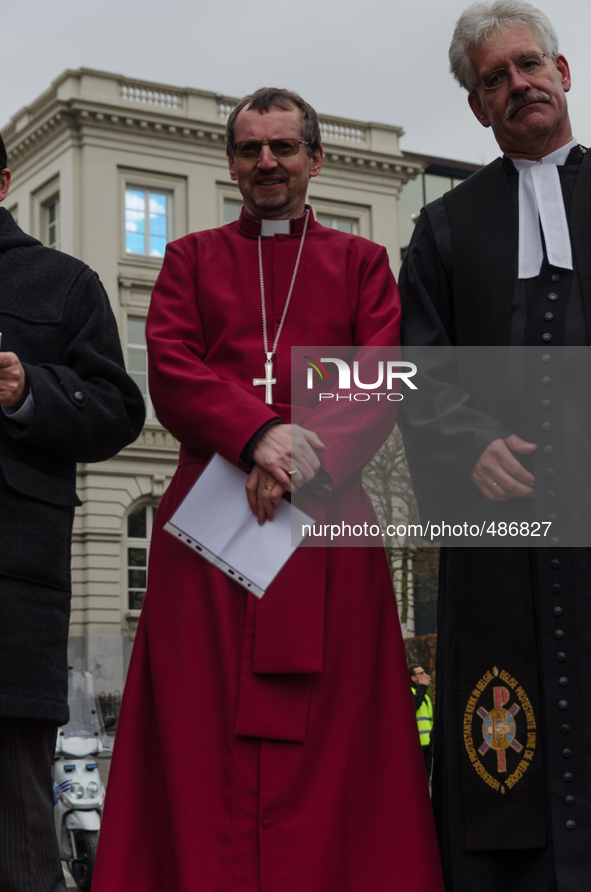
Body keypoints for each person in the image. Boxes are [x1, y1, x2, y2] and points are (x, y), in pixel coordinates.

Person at [92, 88, 444, 892]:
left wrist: (293, 459)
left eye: (283, 147)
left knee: (339, 739)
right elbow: (173, 368)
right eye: (250, 149)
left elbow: (380, 376)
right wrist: (254, 434)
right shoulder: (189, 260)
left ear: (314, 160)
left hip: (325, 516)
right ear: (231, 165)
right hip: (208, 529)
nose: (266, 163)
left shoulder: (361, 264)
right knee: (197, 731)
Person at [399, 2, 591, 890]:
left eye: (527, 66)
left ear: (563, 74)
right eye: (493, 78)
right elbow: (417, 370)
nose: (516, 84)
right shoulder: (443, 229)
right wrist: (467, 443)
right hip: (497, 542)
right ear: (477, 108)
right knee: (498, 758)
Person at [0, 135, 145, 891]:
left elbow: (121, 408)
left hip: (9, 605)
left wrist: (30, 390)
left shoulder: (61, 282)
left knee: (16, 838)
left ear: (3, 179)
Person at [410, 664, 434, 777]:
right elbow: (413, 707)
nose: (425, 675)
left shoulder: (426, 697)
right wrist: (423, 687)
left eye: (425, 672)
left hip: (427, 744)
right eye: (421, 673)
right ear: (413, 678)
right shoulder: (408, 691)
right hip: (414, 745)